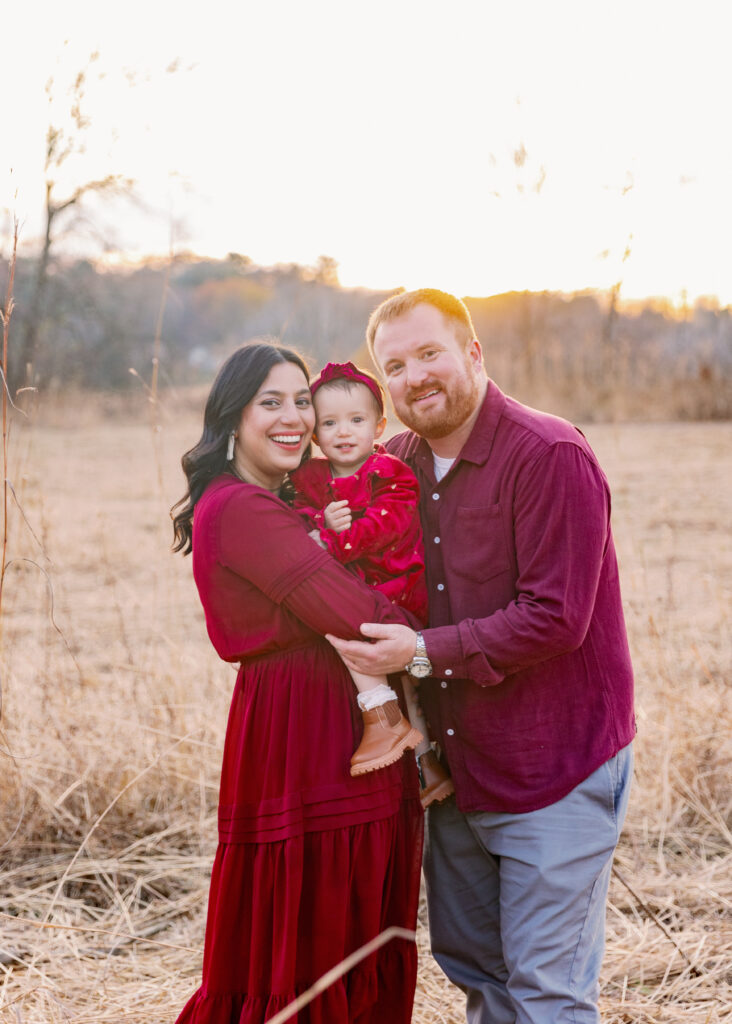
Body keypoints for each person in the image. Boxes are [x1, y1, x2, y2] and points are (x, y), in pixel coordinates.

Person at [327, 289, 636, 1024]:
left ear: (473, 352)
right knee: (479, 973)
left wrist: (422, 653)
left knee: (546, 992)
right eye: (394, 365)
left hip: (553, 762)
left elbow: (556, 617)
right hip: (455, 771)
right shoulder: (391, 466)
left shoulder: (550, 454)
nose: (414, 377)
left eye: (429, 353)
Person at [170, 343, 422, 1024]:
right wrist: (427, 639)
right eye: (270, 402)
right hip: (305, 739)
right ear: (232, 417)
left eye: (301, 401)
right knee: (310, 943)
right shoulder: (243, 509)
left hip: (338, 725)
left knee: (346, 935)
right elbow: (358, 616)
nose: (293, 418)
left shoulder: (286, 498)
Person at [291, 359, 454, 804]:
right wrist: (318, 523)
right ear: (314, 432)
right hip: (355, 586)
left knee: (350, 630)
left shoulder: (392, 475)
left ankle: (381, 720)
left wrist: (333, 541)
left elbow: (390, 524)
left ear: (379, 426)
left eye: (356, 420)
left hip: (393, 590)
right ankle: (427, 768)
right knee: (406, 688)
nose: (343, 432)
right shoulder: (308, 478)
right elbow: (295, 519)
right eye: (329, 423)